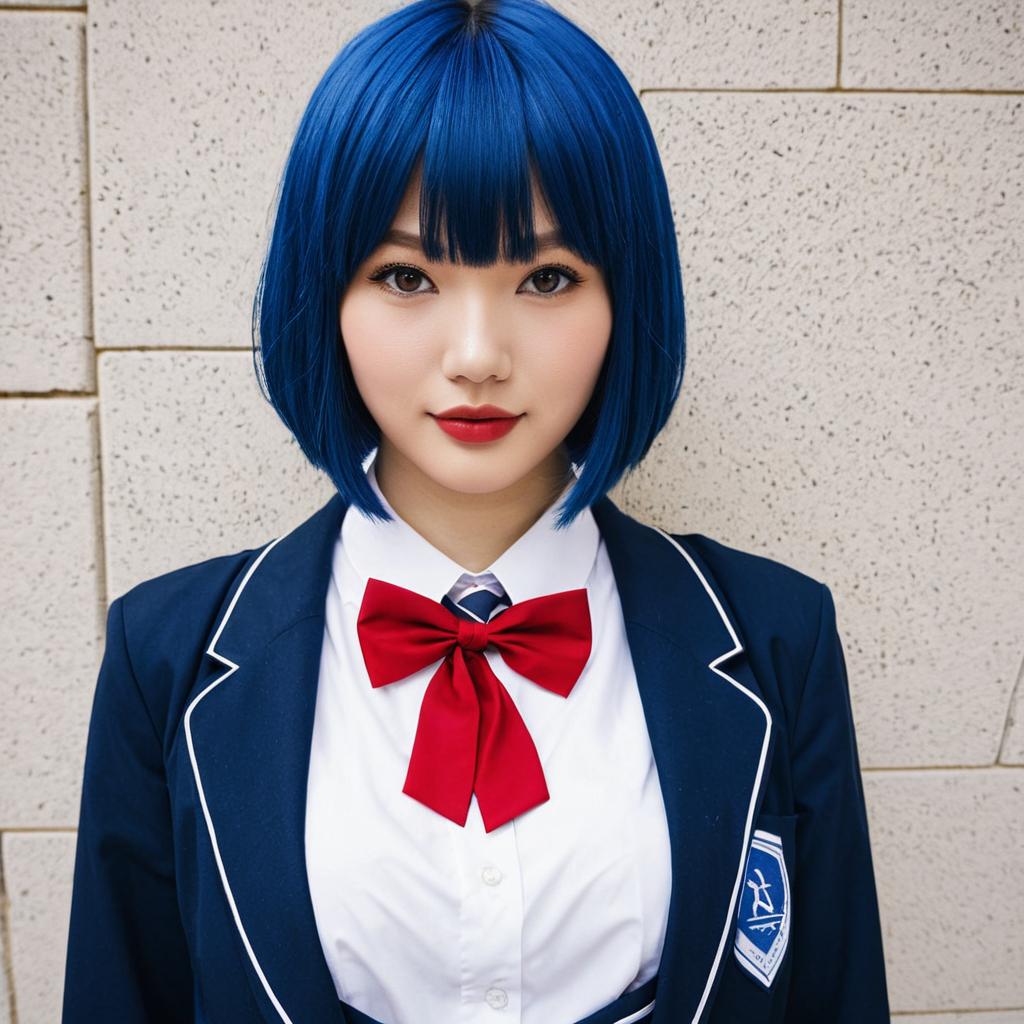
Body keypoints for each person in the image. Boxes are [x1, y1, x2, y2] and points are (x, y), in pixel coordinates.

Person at [61, 0, 890, 1021]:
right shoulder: (164, 657)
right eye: (406, 275)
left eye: (547, 277)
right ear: (325, 294)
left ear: (625, 298)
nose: (476, 356)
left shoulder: (777, 637)